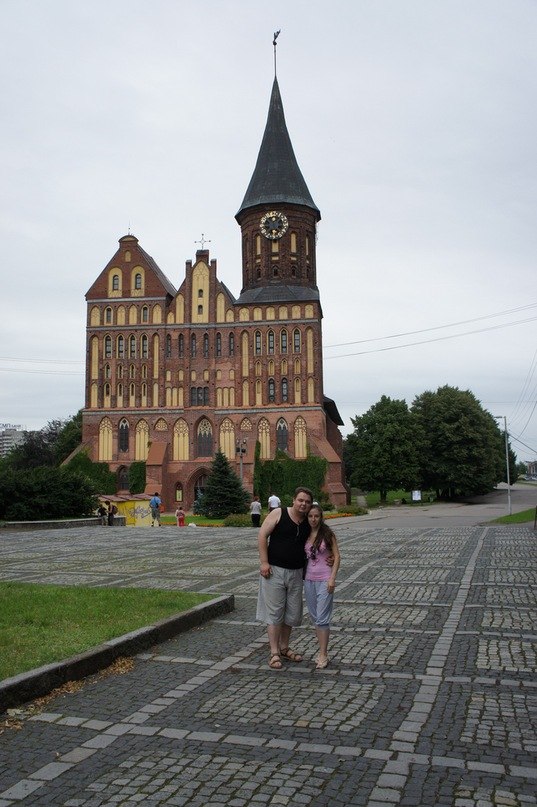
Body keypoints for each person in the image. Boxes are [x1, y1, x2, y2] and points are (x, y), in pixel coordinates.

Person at [257, 486, 313, 669]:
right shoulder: (279, 513)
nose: (303, 504)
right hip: (275, 570)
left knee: (291, 613)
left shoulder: (308, 521)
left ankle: (284, 647)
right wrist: (264, 562)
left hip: (297, 572)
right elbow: (262, 535)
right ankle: (274, 653)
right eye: (300, 500)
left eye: (307, 502)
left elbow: (319, 541)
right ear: (294, 500)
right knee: (275, 613)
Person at [304, 504, 340, 669]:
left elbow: (337, 556)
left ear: (321, 517)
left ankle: (323, 654)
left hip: (325, 578)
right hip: (309, 580)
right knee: (314, 617)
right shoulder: (305, 533)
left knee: (322, 617)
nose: (313, 519)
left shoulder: (327, 534)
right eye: (310, 516)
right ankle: (321, 651)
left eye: (316, 516)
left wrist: (332, 578)